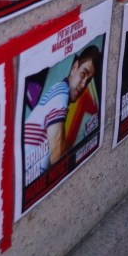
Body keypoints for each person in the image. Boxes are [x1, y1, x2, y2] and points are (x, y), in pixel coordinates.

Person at [23, 44, 102, 183]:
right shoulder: (60, 96)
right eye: (83, 74)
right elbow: (57, 156)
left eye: (88, 80)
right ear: (74, 68)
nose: (84, 85)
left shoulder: (58, 93)